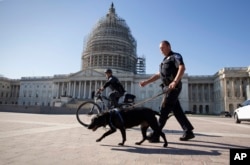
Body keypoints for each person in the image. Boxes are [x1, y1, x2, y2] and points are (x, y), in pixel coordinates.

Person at [139, 40, 195, 141]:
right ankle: (188, 131)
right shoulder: (164, 61)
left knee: (164, 109)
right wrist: (146, 82)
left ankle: (156, 134)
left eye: (162, 48)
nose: (161, 50)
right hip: (166, 88)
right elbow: (158, 75)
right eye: (160, 49)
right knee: (177, 110)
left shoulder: (175, 56)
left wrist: (175, 81)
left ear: (169, 46)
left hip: (173, 86)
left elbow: (182, 67)